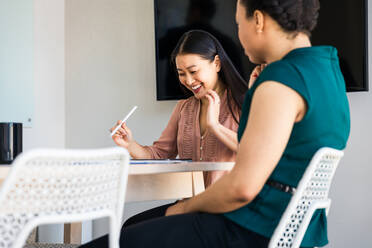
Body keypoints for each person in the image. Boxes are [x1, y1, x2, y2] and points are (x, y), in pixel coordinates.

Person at [112, 0, 349, 247]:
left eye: (238, 22)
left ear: (257, 20)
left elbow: (241, 188)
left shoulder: (281, 80)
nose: (237, 34)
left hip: (251, 225)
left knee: (115, 241)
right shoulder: (327, 71)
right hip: (293, 228)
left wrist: (184, 207)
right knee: (133, 230)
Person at [79, 30, 248, 247]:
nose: (188, 80)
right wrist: (130, 144)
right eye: (181, 73)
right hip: (188, 205)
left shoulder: (244, 103)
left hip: (222, 210)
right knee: (130, 226)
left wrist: (215, 126)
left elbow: (256, 152)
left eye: (194, 71)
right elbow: (160, 154)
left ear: (216, 63)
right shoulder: (184, 108)